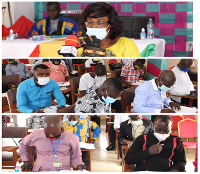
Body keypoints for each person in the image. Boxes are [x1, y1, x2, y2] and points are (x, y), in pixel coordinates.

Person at [19, 115, 85, 171]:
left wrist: (79, 164)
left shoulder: (72, 138)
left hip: (61, 171)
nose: (50, 136)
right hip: (40, 170)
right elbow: (22, 143)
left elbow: (76, 156)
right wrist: (26, 160)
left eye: (55, 133)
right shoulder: (36, 134)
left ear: (61, 128)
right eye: (47, 132)